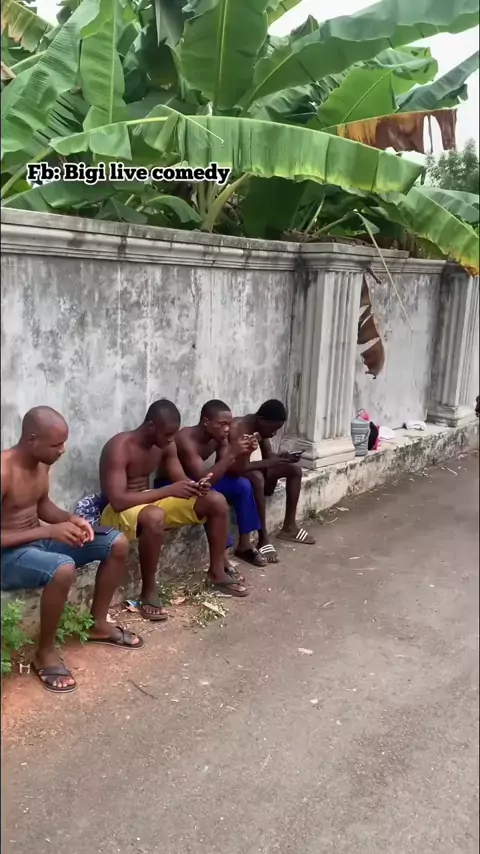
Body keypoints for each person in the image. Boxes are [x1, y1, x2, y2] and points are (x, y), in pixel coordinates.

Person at [1, 407, 142, 695]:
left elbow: (41, 506)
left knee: (116, 542)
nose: (63, 450)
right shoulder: (3, 471)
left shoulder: (42, 463)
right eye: (56, 444)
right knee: (62, 567)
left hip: (37, 544)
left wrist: (71, 520)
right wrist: (48, 531)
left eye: (63, 443)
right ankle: (45, 653)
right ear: (31, 440)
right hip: (8, 557)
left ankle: (98, 625)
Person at [99, 399, 248, 617]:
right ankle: (148, 590)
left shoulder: (165, 444)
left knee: (215, 500)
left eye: (173, 435)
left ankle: (217, 572)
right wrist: (168, 491)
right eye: (168, 434)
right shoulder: (120, 447)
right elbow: (118, 501)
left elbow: (180, 479)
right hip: (119, 511)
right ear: (151, 426)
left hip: (149, 503)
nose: (171, 440)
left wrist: (196, 487)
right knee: (155, 515)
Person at [159, 400, 267, 568]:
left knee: (243, 485)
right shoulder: (185, 439)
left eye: (229, 424)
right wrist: (232, 453)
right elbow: (203, 477)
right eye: (222, 424)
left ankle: (245, 545)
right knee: (213, 497)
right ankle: (222, 557)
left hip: (201, 480)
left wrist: (246, 453)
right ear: (206, 422)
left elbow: (233, 471)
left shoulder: (219, 438)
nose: (227, 429)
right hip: (176, 483)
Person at [228, 399, 315, 562]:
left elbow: (269, 456)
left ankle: (289, 527)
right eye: (273, 429)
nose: (274, 434)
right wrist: (272, 462)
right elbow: (238, 467)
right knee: (257, 477)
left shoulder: (260, 428)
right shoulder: (237, 428)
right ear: (261, 420)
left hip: (251, 468)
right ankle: (263, 538)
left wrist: (284, 458)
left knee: (294, 469)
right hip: (234, 472)